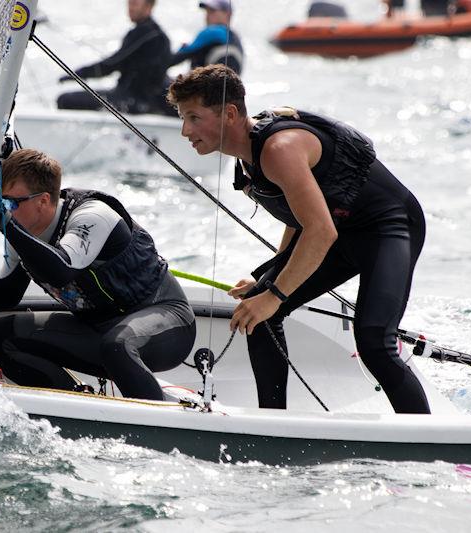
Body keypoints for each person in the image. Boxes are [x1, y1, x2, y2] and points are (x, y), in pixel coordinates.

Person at [166, 64, 431, 414]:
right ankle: (272, 423)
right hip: (339, 232)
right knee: (257, 313)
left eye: (194, 118)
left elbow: (320, 231)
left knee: (374, 342)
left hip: (388, 227)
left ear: (229, 113)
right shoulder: (247, 161)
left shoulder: (279, 149)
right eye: (183, 118)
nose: (185, 130)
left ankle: (424, 438)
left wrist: (275, 293)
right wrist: (269, 279)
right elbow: (299, 217)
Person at [0, 149, 196, 401]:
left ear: (43, 200)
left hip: (168, 324)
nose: (5, 211)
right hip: (98, 329)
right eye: (1, 203)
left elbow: (61, 270)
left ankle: (157, 429)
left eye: (10, 204)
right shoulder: (23, 233)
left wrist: (4, 223)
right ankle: (73, 407)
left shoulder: (92, 217)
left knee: (117, 346)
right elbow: (4, 294)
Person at [56, 0, 171, 115]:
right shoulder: (160, 35)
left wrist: (78, 74)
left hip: (132, 101)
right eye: (129, 3)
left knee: (64, 100)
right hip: (141, 100)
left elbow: (112, 64)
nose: (130, 8)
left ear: (149, 6)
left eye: (135, 4)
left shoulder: (145, 33)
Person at [168, 0, 244, 76]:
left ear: (228, 14)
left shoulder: (213, 31)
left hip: (204, 85)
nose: (207, 16)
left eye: (212, 11)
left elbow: (175, 58)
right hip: (232, 86)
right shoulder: (236, 39)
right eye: (207, 12)